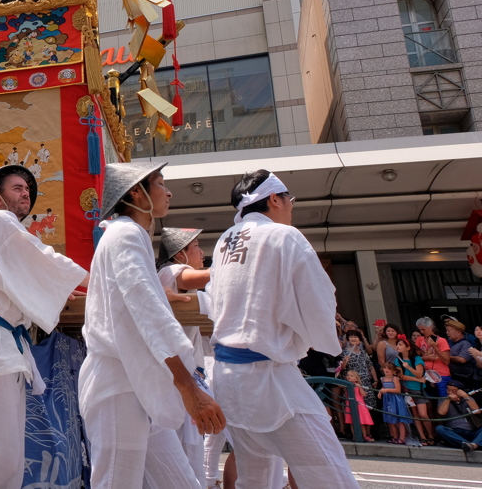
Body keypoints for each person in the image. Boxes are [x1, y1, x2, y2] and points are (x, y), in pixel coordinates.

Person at [206, 170, 357, 488]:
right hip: (268, 375)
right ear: (274, 199)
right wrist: (326, 341)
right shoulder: (284, 236)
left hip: (226, 376)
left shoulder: (224, 240)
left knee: (255, 476)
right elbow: (319, 299)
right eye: (289, 199)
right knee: (329, 473)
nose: (291, 207)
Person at [0, 164, 88, 489]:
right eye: (17, 188)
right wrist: (98, 282)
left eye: (27, 189)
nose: (25, 193)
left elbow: (27, 280)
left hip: (1, 347)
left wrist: (61, 290)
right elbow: (45, 260)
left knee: (7, 470)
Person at [80, 164, 223, 489]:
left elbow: (142, 302)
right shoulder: (126, 234)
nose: (168, 191)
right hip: (119, 385)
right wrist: (189, 388)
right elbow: (147, 311)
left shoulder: (128, 236)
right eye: (160, 183)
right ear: (135, 192)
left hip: (141, 385)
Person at [154, 227, 214, 484]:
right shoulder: (170, 272)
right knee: (186, 455)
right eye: (196, 247)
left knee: (185, 452)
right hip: (178, 378)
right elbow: (202, 278)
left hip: (182, 375)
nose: (202, 252)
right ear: (180, 256)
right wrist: (238, 265)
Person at [396, 337, 435, 445]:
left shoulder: (416, 358)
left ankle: (430, 435)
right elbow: (400, 376)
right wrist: (417, 379)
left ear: (408, 347)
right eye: (397, 345)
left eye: (400, 344)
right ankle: (422, 436)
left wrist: (408, 367)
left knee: (423, 414)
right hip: (407, 390)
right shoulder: (397, 360)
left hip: (418, 389)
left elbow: (419, 373)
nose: (398, 347)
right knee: (415, 414)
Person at [434, 381, 482, 450]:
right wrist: (448, 399)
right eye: (448, 389)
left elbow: (477, 411)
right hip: (455, 432)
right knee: (440, 428)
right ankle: (470, 444)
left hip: (472, 431)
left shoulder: (467, 399)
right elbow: (441, 412)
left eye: (454, 391)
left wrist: (465, 396)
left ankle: (473, 445)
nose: (450, 392)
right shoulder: (443, 399)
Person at [338, 331, 379, 410]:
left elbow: (370, 367)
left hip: (365, 381)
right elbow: (341, 369)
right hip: (352, 383)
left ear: (360, 340)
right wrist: (345, 362)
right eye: (351, 337)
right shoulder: (344, 353)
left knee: (368, 405)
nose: (353, 339)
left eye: (355, 337)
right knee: (355, 406)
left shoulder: (363, 352)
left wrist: (375, 380)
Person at [415, 317, 451, 397]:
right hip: (425, 373)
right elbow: (415, 357)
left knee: (443, 397)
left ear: (430, 327)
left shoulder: (441, 340)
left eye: (424, 329)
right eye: (420, 330)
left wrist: (435, 347)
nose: (421, 332)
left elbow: (446, 361)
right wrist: (426, 358)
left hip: (440, 373)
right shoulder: (420, 340)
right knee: (428, 398)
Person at [445, 318, 481, 391]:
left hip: (466, 378)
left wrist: (445, 357)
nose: (447, 333)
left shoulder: (465, 344)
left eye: (449, 330)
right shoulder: (449, 343)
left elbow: (462, 359)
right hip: (455, 376)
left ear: (458, 332)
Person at [378, 361, 410, 444]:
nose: (386, 370)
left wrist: (386, 390)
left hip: (396, 399)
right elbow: (383, 387)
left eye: (389, 368)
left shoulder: (395, 378)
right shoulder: (382, 379)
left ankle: (402, 438)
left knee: (400, 419)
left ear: (394, 371)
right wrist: (380, 392)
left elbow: (398, 390)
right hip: (387, 400)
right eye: (385, 368)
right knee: (390, 419)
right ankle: (395, 437)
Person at [342, 370, 374, 442]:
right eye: (348, 375)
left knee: (361, 422)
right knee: (352, 422)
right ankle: (355, 436)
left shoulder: (358, 386)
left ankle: (365, 436)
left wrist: (360, 387)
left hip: (359, 405)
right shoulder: (347, 386)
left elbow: (364, 394)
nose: (349, 377)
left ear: (356, 379)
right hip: (350, 404)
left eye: (351, 376)